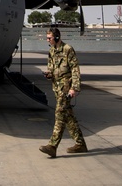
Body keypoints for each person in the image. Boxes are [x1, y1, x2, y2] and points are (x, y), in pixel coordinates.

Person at [39, 27, 87, 157]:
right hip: (56, 86)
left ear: (56, 38)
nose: (47, 40)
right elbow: (51, 67)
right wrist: (49, 74)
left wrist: (74, 88)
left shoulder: (68, 49)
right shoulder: (51, 50)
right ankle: (80, 143)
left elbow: (75, 69)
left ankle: (52, 146)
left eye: (49, 38)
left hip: (66, 87)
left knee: (59, 113)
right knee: (68, 116)